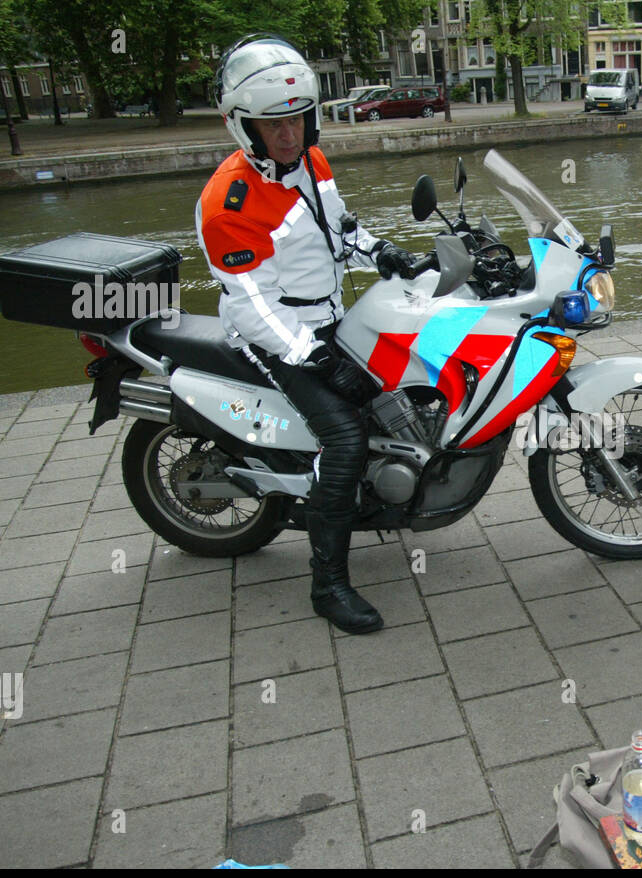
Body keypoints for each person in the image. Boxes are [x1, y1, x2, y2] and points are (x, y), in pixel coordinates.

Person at [195, 35, 416, 635]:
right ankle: (328, 585)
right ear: (245, 127)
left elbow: (336, 226)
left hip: (326, 316)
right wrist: (313, 357)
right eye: (274, 125)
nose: (289, 135)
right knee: (343, 439)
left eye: (297, 119)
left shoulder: (312, 162)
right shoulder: (228, 203)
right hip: (273, 337)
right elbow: (254, 305)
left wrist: (383, 252)